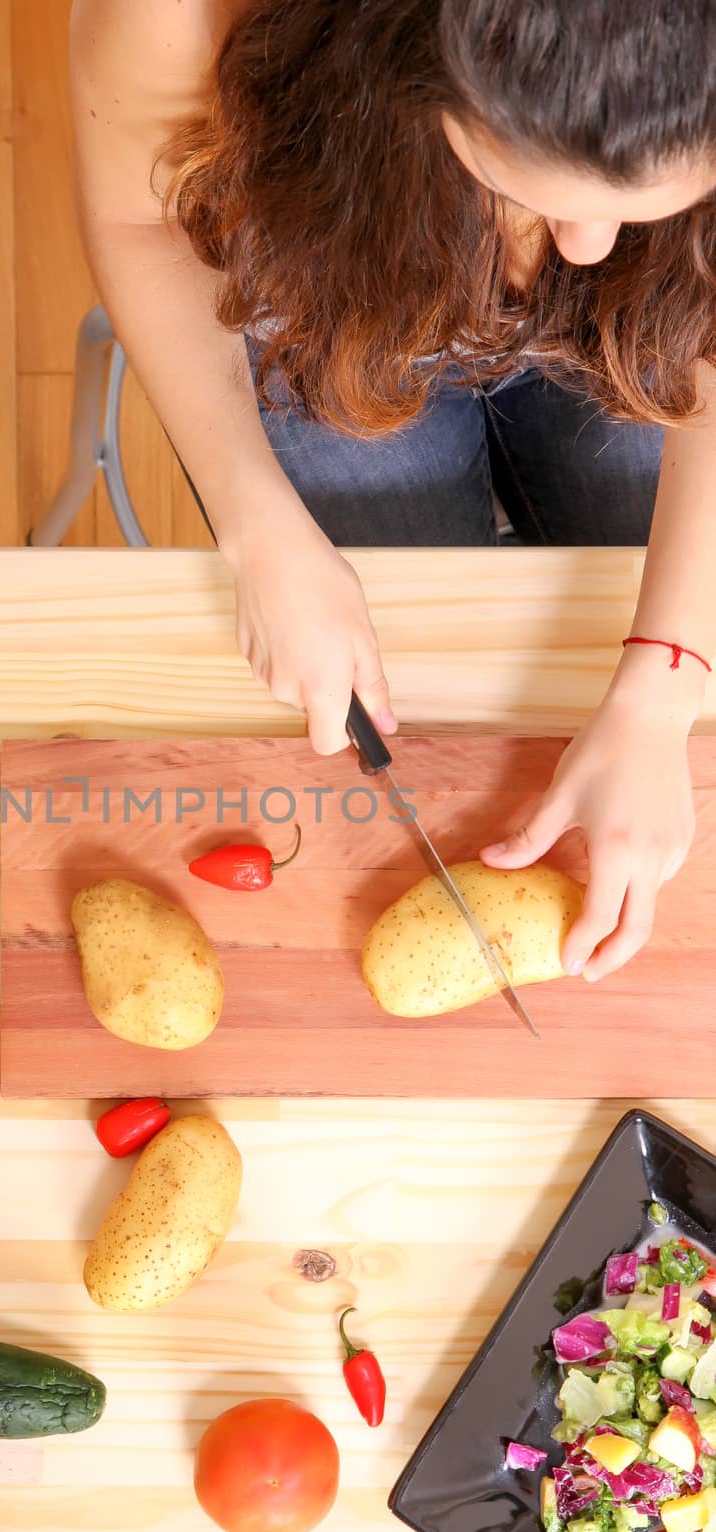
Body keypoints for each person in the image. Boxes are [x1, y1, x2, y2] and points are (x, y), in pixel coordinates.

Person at [69, 0, 716, 981]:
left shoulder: (614, 239)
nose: (585, 244)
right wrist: (256, 524)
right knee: (400, 662)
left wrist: (666, 687)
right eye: (530, 178)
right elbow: (139, 220)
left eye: (639, 200)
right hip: (342, 293)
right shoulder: (180, 16)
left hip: (654, 319)